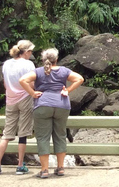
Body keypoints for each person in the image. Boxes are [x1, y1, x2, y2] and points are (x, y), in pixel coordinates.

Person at [19, 49, 84, 179]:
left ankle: (45, 170)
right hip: (62, 105)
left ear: (44, 60)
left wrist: (32, 93)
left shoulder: (38, 72)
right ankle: (60, 168)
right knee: (60, 135)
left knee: (43, 138)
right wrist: (68, 90)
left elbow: (22, 80)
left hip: (43, 105)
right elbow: (80, 79)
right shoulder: (64, 71)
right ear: (56, 59)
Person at [0, 40, 36, 176]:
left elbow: (6, 84)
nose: (31, 54)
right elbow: (32, 84)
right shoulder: (28, 64)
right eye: (31, 51)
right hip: (25, 98)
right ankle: (20, 165)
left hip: (10, 99)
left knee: (6, 134)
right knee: (23, 133)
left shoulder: (6, 63)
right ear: (26, 52)